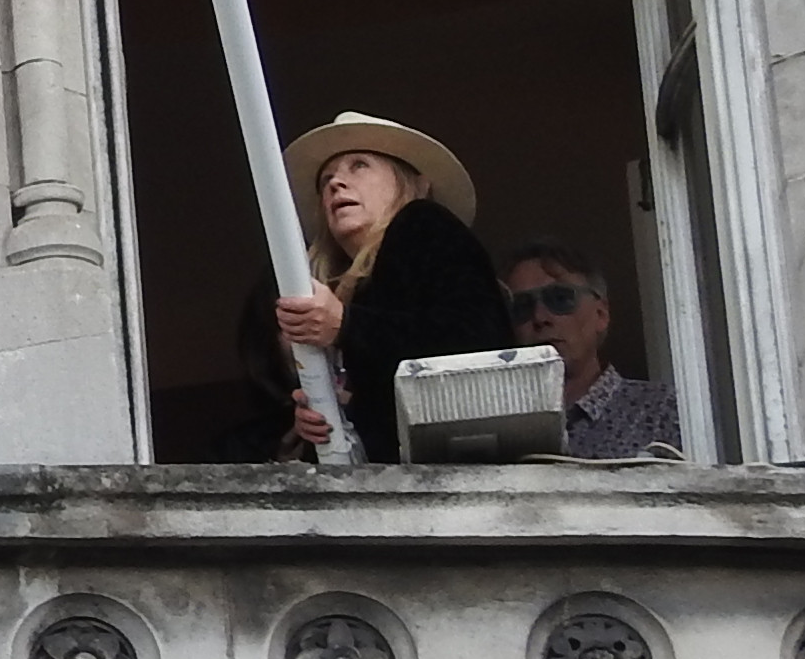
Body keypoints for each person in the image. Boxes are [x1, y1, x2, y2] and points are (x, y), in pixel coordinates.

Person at [241, 112, 510, 463]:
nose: (337, 182)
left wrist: (346, 325)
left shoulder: (421, 224)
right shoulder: (342, 289)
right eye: (326, 179)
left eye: (359, 165)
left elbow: (477, 341)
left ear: (414, 184)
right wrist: (324, 416)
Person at [503, 238, 685, 459]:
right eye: (522, 306)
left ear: (601, 314)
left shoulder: (664, 411)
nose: (540, 317)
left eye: (560, 298)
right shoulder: (501, 426)